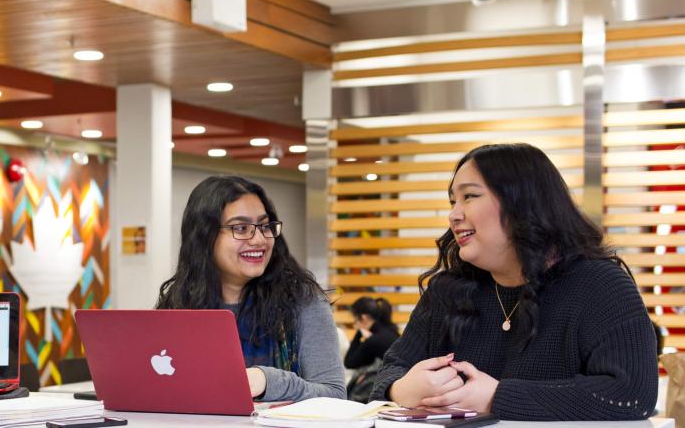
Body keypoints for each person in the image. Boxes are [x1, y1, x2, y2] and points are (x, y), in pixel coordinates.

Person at [371, 143, 657, 420]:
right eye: (452, 201)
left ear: (522, 203)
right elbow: (392, 368)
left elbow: (632, 395)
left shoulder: (599, 284)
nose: (454, 214)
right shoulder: (447, 290)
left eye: (469, 196)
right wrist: (400, 389)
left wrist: (496, 396)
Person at [156, 175, 345, 402]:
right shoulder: (179, 303)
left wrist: (266, 381)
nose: (258, 240)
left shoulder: (303, 302)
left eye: (265, 226)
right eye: (241, 228)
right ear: (205, 237)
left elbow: (334, 396)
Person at [344, 297, 399, 402]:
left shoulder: (374, 340)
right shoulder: (392, 332)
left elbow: (349, 362)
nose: (354, 323)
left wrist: (358, 333)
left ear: (363, 318)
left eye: (355, 319)